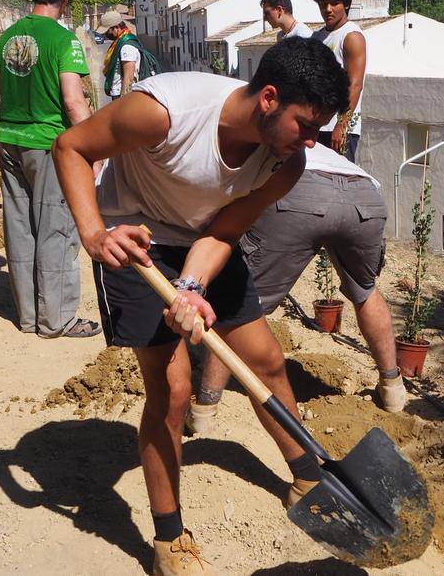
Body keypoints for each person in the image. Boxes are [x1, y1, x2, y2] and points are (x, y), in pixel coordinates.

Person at [51, 36, 349, 575]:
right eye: (306, 125)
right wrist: (94, 234)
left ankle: (308, 475)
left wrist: (190, 287)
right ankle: (169, 536)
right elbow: (71, 147)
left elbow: (226, 229)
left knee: (265, 360)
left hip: (202, 240)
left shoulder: (288, 163)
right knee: (173, 391)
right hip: (134, 239)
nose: (311, 140)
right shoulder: (166, 112)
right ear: (268, 99)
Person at [188, 142, 407, 436]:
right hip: (365, 196)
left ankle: (204, 408)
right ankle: (393, 389)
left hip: (302, 191)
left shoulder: (244, 144)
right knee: (365, 290)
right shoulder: (317, 148)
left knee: (236, 302)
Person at [0, 0, 102, 340]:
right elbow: (73, 102)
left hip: (10, 140)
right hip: (50, 146)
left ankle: (29, 316)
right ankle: (56, 320)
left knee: (19, 227)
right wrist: (93, 153)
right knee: (57, 230)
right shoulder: (63, 41)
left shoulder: (6, 37)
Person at [309, 0, 366, 163]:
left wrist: (342, 124)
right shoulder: (316, 37)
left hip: (339, 129)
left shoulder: (351, 37)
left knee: (341, 186)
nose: (328, 9)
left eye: (334, 3)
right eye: (323, 4)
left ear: (346, 4)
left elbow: (355, 84)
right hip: (316, 127)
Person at [99, 11, 140, 103]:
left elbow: (129, 77)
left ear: (116, 28)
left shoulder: (127, 47)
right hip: (118, 95)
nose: (106, 35)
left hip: (124, 97)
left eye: (107, 31)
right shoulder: (119, 43)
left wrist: (123, 102)